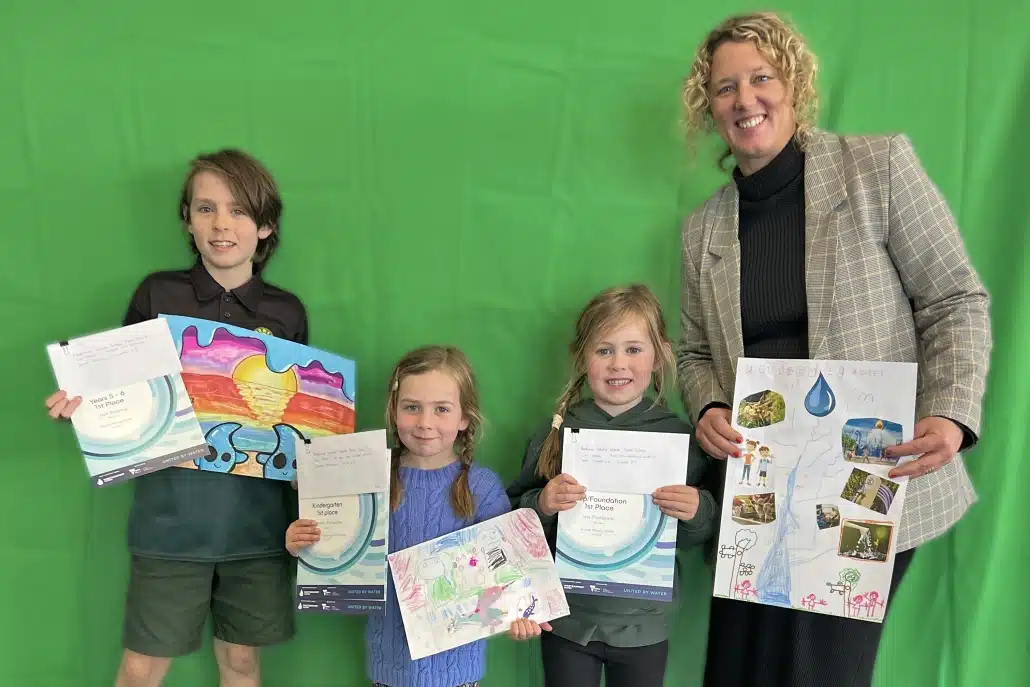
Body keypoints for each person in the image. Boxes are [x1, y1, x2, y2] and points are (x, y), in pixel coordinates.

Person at [677, 11, 992, 686]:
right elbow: (694, 350)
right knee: (737, 669)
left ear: (793, 84)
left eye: (761, 78)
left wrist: (950, 412)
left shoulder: (877, 167)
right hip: (757, 487)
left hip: (864, 476)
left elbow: (954, 299)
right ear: (710, 107)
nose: (744, 98)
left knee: (817, 672)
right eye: (725, 87)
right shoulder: (702, 229)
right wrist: (706, 406)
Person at [45, 149, 307, 687]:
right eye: (206, 208)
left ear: (265, 226)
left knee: (241, 663)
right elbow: (119, 395)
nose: (221, 224)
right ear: (188, 220)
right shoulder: (158, 294)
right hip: (170, 527)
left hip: (258, 530)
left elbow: (300, 423)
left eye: (238, 210)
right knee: (140, 669)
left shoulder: (287, 313)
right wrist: (84, 408)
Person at [506, 284, 717, 687]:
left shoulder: (679, 438)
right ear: (581, 357)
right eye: (604, 350)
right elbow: (514, 518)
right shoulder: (556, 432)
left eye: (633, 349)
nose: (619, 364)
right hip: (566, 622)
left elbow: (700, 535)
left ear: (659, 354)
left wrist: (697, 510)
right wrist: (543, 503)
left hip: (645, 626)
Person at [286, 345, 528, 687]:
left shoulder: (483, 488)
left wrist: (519, 611)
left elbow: (508, 574)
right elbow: (335, 553)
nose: (425, 423)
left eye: (441, 409)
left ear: (464, 418)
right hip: (387, 669)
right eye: (412, 407)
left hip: (459, 674)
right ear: (394, 411)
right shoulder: (365, 478)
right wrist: (304, 543)